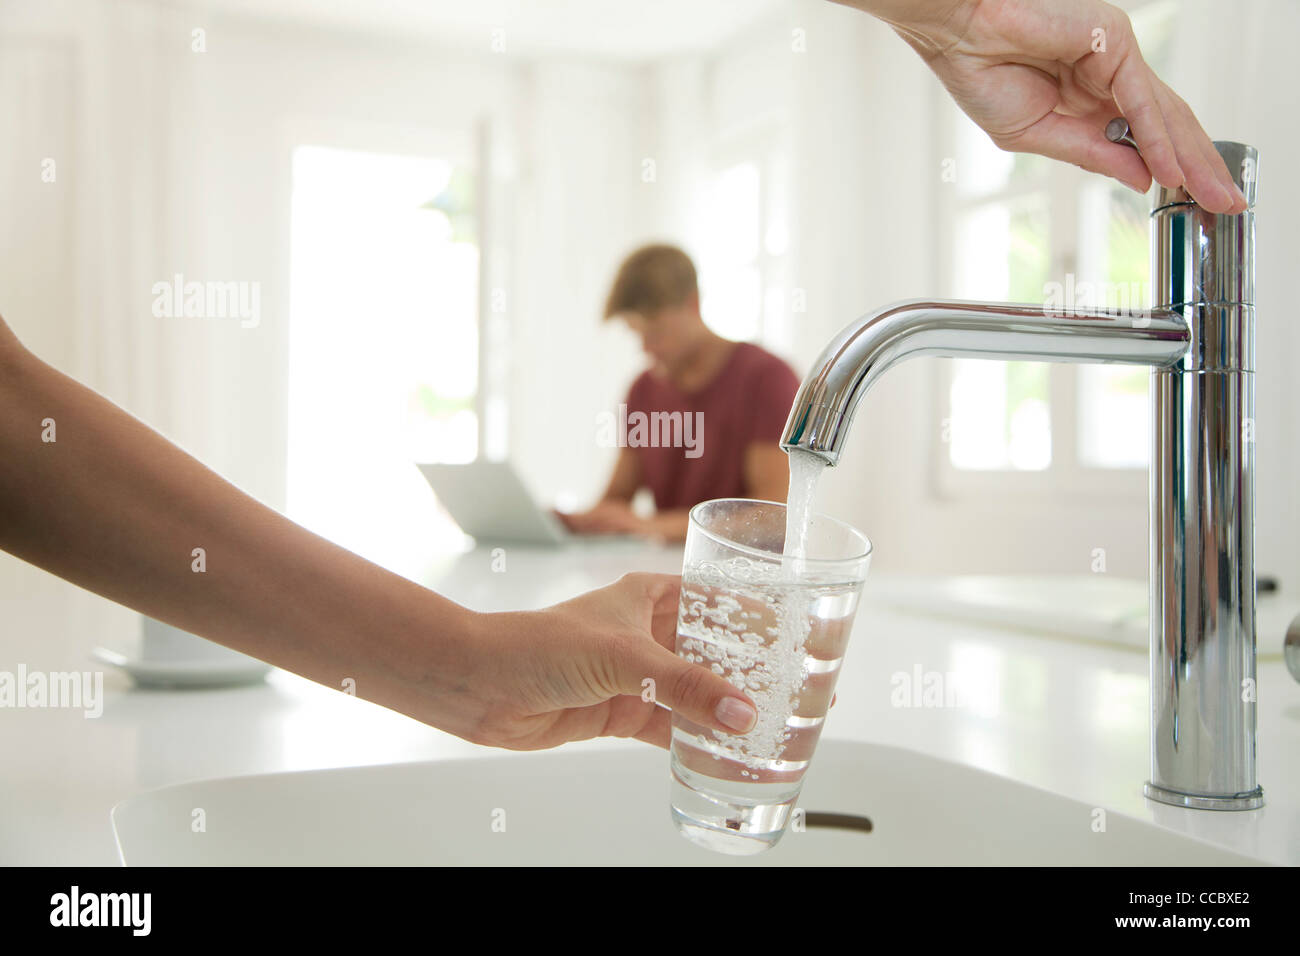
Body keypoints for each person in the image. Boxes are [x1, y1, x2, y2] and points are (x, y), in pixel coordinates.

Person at [0, 0, 1246, 755]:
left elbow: (765, 523)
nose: (642, 357)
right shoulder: (642, 394)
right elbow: (619, 495)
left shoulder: (760, 376)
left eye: (649, 333)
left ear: (684, 306)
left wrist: (958, 16)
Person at [556, 244, 800, 543]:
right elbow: (617, 501)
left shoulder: (766, 379)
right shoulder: (643, 390)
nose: (646, 348)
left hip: (743, 578)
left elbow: (774, 514)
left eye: (655, 332)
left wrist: (650, 526)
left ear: (693, 305)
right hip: (667, 575)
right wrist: (573, 522)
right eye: (637, 334)